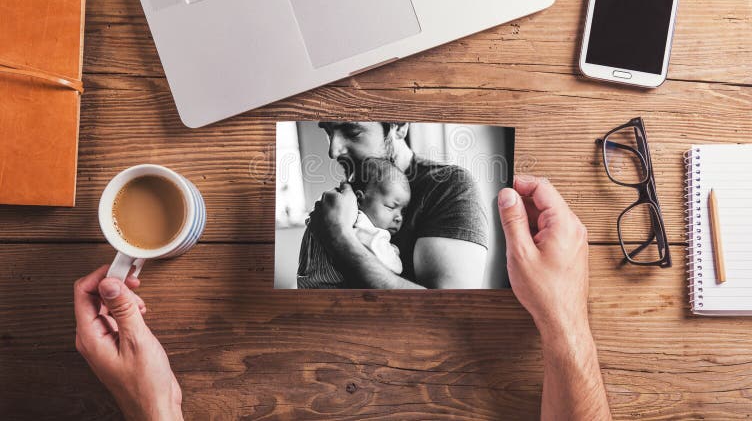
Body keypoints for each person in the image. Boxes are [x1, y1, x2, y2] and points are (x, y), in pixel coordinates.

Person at [74, 175, 611, 420]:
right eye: (389, 205)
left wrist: (153, 408)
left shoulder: (434, 195)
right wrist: (566, 319)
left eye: (349, 132)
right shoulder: (352, 221)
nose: (334, 153)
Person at [306, 121, 490, 289]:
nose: (333, 151)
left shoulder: (449, 187)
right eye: (329, 132)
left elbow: (450, 310)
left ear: (400, 126)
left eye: (352, 132)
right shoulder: (346, 195)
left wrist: (338, 236)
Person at [297, 157, 411, 288]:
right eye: (391, 207)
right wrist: (393, 252)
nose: (399, 217)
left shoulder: (326, 211)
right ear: (359, 199)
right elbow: (392, 267)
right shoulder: (364, 226)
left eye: (403, 211)